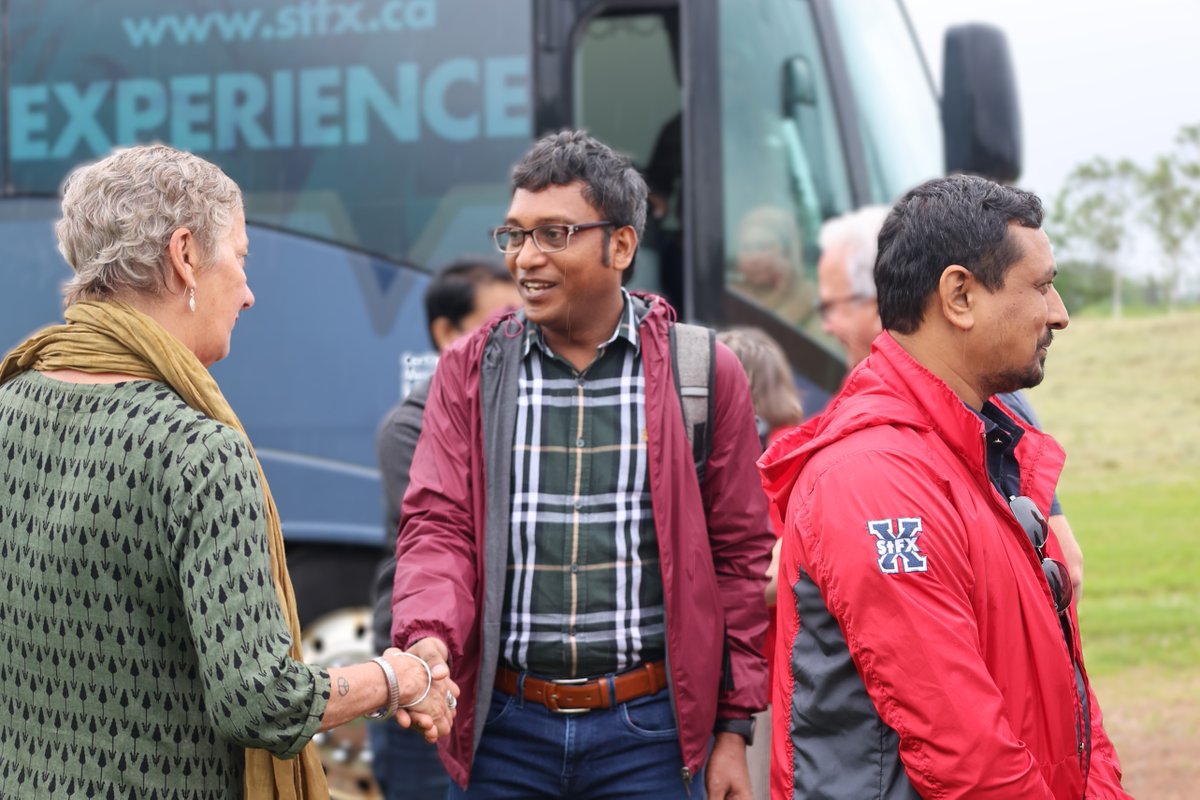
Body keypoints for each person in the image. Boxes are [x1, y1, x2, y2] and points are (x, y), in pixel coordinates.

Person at [0, 144, 457, 800]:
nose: (247, 293)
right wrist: (394, 678)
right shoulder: (198, 453)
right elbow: (261, 700)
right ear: (185, 256)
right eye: (240, 259)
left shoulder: (9, 403)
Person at [390, 130, 774, 799]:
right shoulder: (469, 371)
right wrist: (428, 639)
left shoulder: (705, 373)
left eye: (555, 233)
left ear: (621, 245)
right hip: (503, 736)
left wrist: (733, 731)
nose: (526, 258)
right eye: (514, 235)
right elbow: (438, 526)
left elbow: (740, 558)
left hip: (650, 740)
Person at [760, 175, 1130, 797]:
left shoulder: (983, 448)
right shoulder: (874, 478)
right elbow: (966, 755)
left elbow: (1067, 701)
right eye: (1040, 286)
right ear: (959, 295)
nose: (1058, 312)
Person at [816, 205, 1086, 597]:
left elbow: (1061, 567)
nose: (1058, 315)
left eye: (833, 305)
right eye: (1041, 287)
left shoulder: (994, 406)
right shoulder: (867, 452)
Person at [369, 258, 519, 799]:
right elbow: (449, 538)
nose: (517, 334)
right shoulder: (409, 426)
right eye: (500, 320)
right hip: (429, 672)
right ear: (447, 333)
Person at [714, 327, 804, 800]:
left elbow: (774, 576)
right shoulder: (787, 444)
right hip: (757, 666)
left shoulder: (779, 454)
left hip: (760, 670)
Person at [729, 206, 815, 326]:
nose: (754, 257)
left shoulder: (809, 296)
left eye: (763, 247)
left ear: (787, 252)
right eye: (746, 248)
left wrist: (782, 290)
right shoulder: (729, 296)